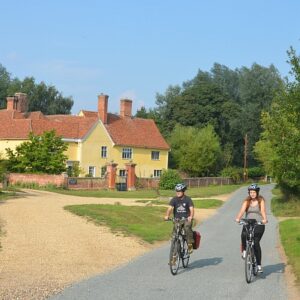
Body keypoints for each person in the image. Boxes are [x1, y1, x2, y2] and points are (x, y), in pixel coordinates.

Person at [235, 183, 268, 273]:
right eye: (250, 192)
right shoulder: (247, 201)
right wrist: (238, 218)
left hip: (258, 223)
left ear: (257, 192)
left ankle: (259, 265)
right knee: (243, 235)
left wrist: (264, 219)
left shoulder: (261, 200)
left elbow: (263, 211)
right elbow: (242, 211)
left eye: (254, 192)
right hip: (248, 222)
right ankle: (245, 250)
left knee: (256, 242)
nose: (252, 194)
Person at [164, 183, 194, 253]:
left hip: (186, 219)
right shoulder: (174, 199)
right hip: (177, 219)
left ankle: (189, 244)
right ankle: (174, 246)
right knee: (175, 233)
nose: (177, 193)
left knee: (187, 228)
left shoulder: (188, 199)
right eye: (176, 191)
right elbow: (170, 208)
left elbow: (191, 209)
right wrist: (167, 215)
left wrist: (191, 216)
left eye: (179, 191)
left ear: (183, 191)